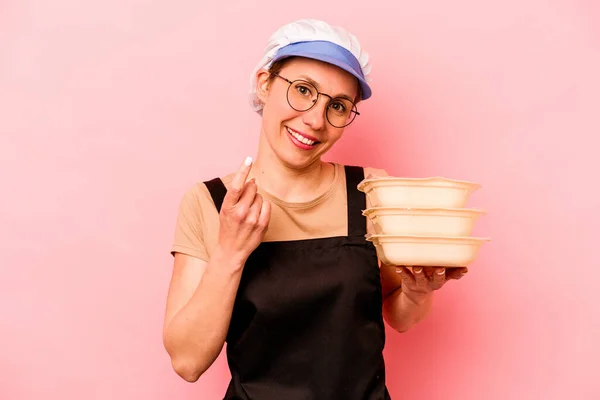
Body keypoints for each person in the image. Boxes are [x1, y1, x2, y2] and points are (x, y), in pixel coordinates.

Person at [162, 19, 468, 399]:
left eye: (337, 106)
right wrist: (230, 251)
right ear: (264, 83)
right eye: (303, 90)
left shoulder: (370, 191)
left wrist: (418, 291)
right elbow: (188, 362)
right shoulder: (209, 203)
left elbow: (399, 316)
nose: (314, 120)